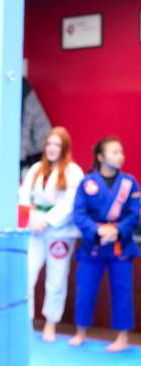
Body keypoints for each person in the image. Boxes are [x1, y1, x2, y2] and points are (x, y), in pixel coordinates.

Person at [69, 137, 140, 353]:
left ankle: (122, 337)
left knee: (122, 290)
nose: (120, 156)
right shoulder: (87, 183)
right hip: (93, 244)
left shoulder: (129, 183)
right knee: (85, 289)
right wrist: (96, 230)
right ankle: (81, 332)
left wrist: (117, 230)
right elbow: (79, 213)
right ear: (100, 157)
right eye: (114, 152)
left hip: (120, 245)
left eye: (121, 152)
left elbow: (135, 213)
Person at [19, 127, 84, 341]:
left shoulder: (73, 171)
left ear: (64, 148)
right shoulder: (36, 169)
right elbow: (23, 196)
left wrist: (47, 220)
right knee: (27, 274)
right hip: (34, 229)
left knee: (56, 278)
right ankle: (25, 321)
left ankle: (51, 323)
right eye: (49, 144)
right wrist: (32, 217)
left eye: (57, 144)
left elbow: (71, 203)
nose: (52, 148)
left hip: (59, 231)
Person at [20, 77, 51, 176]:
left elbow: (25, 128)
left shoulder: (24, 96)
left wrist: (19, 160)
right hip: (36, 146)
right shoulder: (25, 93)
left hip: (38, 149)